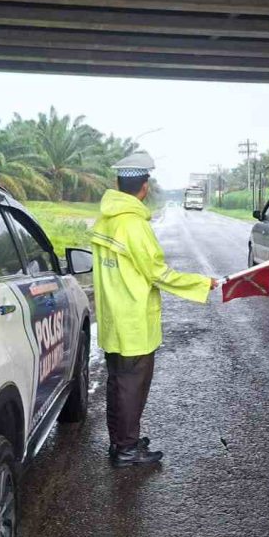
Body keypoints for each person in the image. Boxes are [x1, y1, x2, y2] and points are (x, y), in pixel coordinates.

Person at [90, 152, 218, 468]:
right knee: (131, 389)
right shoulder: (134, 225)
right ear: (144, 187)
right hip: (133, 321)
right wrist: (202, 284)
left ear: (119, 184)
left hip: (112, 319)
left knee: (118, 385)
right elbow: (158, 273)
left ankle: (121, 442)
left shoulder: (105, 219)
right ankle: (128, 450)